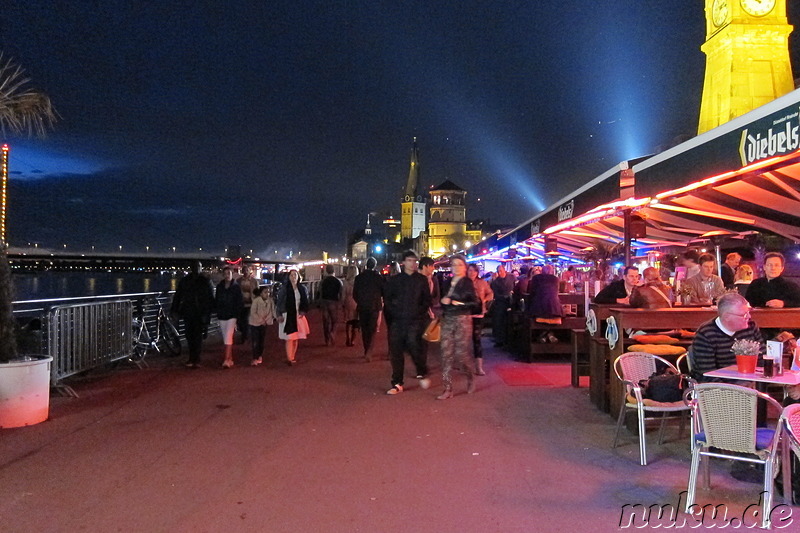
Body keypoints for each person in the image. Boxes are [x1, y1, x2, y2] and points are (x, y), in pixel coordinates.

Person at [383, 250, 431, 395]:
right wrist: (394, 313)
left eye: (414, 261)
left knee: (413, 346)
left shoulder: (421, 280)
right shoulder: (395, 280)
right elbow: (388, 299)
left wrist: (418, 313)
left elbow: (426, 300)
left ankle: (421, 370)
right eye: (409, 260)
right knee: (396, 351)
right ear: (403, 262)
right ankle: (397, 382)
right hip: (398, 320)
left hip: (415, 320)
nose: (413, 263)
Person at [690, 292, 764, 382]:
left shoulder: (751, 327)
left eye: (748, 312)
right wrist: (735, 388)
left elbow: (761, 360)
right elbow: (707, 374)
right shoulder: (706, 334)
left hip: (750, 383)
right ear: (727, 317)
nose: (749, 316)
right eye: (744, 314)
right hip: (718, 389)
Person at [437, 254, 479, 399]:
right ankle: (447, 388)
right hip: (448, 318)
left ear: (465, 266)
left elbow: (475, 303)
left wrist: (459, 303)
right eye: (454, 264)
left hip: (463, 319)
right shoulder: (447, 282)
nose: (456, 267)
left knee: (462, 354)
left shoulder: (467, 282)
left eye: (460, 264)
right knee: (445, 353)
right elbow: (443, 301)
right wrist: (443, 301)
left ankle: (470, 376)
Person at [170, 260, 214, 368]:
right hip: (188, 312)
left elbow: (210, 298)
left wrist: (209, 312)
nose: (197, 268)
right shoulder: (186, 281)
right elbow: (178, 295)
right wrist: (174, 309)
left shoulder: (205, 281)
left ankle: (196, 358)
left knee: (197, 336)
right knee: (189, 335)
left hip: (199, 313)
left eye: (198, 266)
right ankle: (192, 357)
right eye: (195, 266)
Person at [353, 257, 385, 361]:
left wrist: (360, 301)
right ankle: (369, 351)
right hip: (374, 306)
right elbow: (383, 291)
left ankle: (366, 349)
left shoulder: (359, 278)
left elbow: (355, 294)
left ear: (366, 265)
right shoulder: (378, 277)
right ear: (374, 265)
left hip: (362, 306)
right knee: (372, 329)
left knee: (365, 329)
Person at [276, 269, 310, 365]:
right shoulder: (284, 289)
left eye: (295, 275)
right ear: (288, 277)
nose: (294, 277)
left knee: (296, 337)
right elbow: (279, 303)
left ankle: (292, 356)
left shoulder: (302, 288)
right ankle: (289, 358)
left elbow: (305, 301)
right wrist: (278, 314)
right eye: (291, 275)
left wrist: (303, 311)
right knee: (289, 337)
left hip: (298, 315)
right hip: (287, 314)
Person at [526, 264, 563, 343]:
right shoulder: (555, 279)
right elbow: (557, 292)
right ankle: (550, 334)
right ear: (552, 271)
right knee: (555, 317)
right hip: (555, 310)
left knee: (534, 316)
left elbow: (531, 292)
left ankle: (543, 335)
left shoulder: (536, 278)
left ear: (542, 271)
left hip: (539, 309)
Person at [215, 266, 243, 368]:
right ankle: (230, 358)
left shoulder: (236, 287)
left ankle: (226, 359)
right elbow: (217, 300)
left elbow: (239, 302)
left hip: (232, 315)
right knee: (225, 337)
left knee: (228, 336)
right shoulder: (219, 287)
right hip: (222, 314)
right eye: (225, 274)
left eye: (229, 273)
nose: (227, 276)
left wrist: (237, 316)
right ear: (223, 275)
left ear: (232, 274)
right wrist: (217, 311)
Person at [468, 263, 493, 376]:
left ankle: (479, 367)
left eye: (474, 270)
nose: (472, 273)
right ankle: (464, 364)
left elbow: (491, 293)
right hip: (465, 314)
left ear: (477, 272)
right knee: (463, 340)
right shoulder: (463, 283)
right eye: (469, 270)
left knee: (477, 340)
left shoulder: (482, 283)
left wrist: (484, 300)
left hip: (478, 314)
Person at [419, 256, 441, 364]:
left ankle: (422, 364)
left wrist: (431, 302)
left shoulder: (433, 279)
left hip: (429, 313)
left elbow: (437, 295)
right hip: (418, 314)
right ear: (426, 266)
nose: (433, 268)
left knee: (425, 340)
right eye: (432, 266)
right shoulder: (415, 279)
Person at [248, 286, 275, 366]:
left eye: (268, 292)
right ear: (261, 293)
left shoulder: (270, 301)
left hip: (264, 323)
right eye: (265, 292)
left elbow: (273, 310)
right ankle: (255, 357)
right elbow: (253, 312)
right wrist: (261, 320)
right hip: (255, 323)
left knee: (261, 341)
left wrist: (277, 317)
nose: (267, 294)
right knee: (255, 340)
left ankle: (259, 355)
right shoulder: (256, 301)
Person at [490, 264, 515, 347]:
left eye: (501, 271)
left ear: (505, 270)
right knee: (499, 320)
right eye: (498, 271)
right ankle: (500, 340)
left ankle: (509, 339)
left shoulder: (512, 277)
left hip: (511, 301)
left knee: (509, 320)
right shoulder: (496, 282)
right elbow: (495, 294)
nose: (499, 273)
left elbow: (515, 287)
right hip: (500, 302)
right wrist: (504, 296)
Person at [319, 264, 343, 346]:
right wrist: (340, 302)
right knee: (334, 320)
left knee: (325, 322)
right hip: (334, 302)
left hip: (325, 302)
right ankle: (333, 332)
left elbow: (320, 292)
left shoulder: (323, 281)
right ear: (334, 271)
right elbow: (341, 292)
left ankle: (327, 340)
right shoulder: (338, 281)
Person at [237, 266, 260, 344]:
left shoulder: (254, 281)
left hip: (251, 304)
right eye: (244, 270)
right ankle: (245, 334)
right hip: (241, 303)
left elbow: (257, 293)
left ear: (250, 271)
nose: (246, 271)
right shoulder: (239, 281)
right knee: (240, 320)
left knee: (246, 320)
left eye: (247, 270)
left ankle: (245, 337)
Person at [342, 265, 359, 346]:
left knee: (348, 322)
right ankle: (353, 340)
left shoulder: (346, 282)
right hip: (356, 301)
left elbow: (343, 294)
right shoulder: (358, 281)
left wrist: (343, 303)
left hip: (348, 301)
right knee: (355, 322)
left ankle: (347, 338)